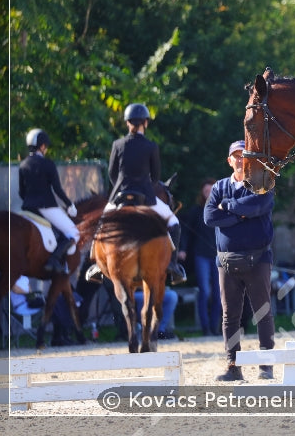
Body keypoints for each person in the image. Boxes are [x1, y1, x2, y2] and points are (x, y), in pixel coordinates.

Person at [85, 103, 186, 285]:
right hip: (146, 197)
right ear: (145, 123)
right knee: (174, 223)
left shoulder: (117, 144)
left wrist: (122, 188)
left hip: (120, 196)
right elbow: (155, 177)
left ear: (127, 123)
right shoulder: (151, 146)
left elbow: (111, 174)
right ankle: (173, 265)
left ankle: (97, 265)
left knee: (102, 223)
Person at [204, 140, 276, 381]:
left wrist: (230, 207)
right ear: (229, 160)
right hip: (226, 262)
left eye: (243, 155)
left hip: (258, 259)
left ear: (249, 159)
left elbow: (261, 205)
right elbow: (209, 217)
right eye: (235, 155)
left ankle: (266, 366)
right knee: (229, 316)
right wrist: (242, 215)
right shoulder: (219, 187)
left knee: (262, 312)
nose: (239, 159)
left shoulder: (261, 183)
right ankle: (233, 367)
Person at [18, 129, 79, 275]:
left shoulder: (23, 164)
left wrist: (29, 203)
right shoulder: (48, 164)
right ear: (42, 146)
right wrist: (69, 204)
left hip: (27, 208)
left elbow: (21, 192)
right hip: (46, 207)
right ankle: (54, 260)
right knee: (73, 233)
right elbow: (57, 189)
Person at [179, 178, 222, 335]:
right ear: (202, 193)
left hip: (218, 256)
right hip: (201, 256)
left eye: (211, 190)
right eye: (205, 191)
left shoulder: (221, 209)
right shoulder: (196, 211)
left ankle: (215, 327)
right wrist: (182, 249)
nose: (208, 193)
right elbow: (186, 232)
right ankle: (205, 328)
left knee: (218, 293)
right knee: (204, 291)